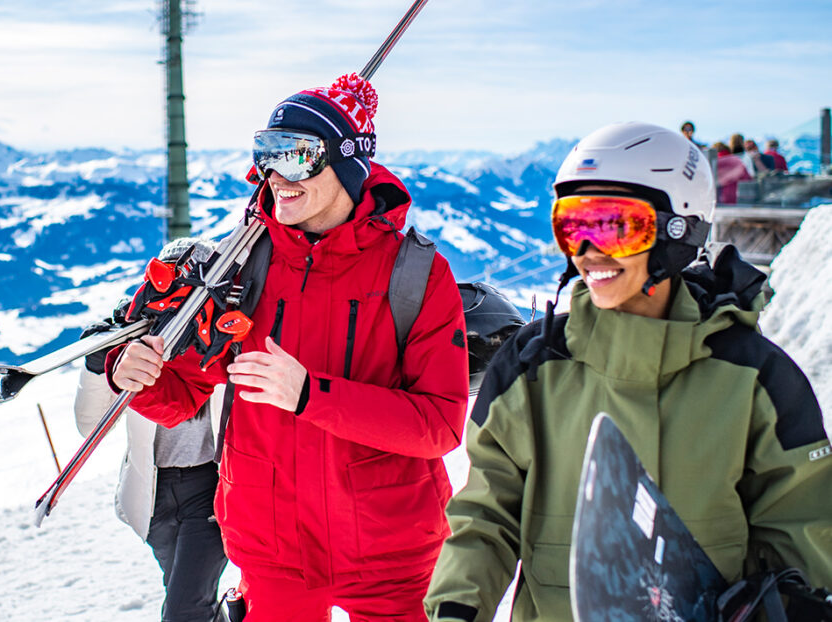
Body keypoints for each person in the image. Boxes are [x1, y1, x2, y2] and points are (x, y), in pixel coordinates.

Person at [424, 122, 832, 621]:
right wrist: (456, 608)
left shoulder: (752, 377)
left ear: (677, 231)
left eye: (617, 227)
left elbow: (799, 532)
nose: (589, 251)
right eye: (572, 226)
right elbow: (487, 513)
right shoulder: (534, 367)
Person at [110, 73, 470, 622]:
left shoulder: (416, 273)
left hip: (389, 548)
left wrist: (310, 395)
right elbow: (183, 396)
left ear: (347, 163)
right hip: (271, 544)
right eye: (266, 153)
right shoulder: (242, 265)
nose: (276, 173)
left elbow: (440, 426)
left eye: (296, 155)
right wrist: (138, 376)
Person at [75, 285, 228, 622]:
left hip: (212, 490)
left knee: (185, 610)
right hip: (154, 494)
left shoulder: (225, 336)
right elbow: (91, 426)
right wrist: (97, 367)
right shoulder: (138, 351)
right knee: (187, 599)